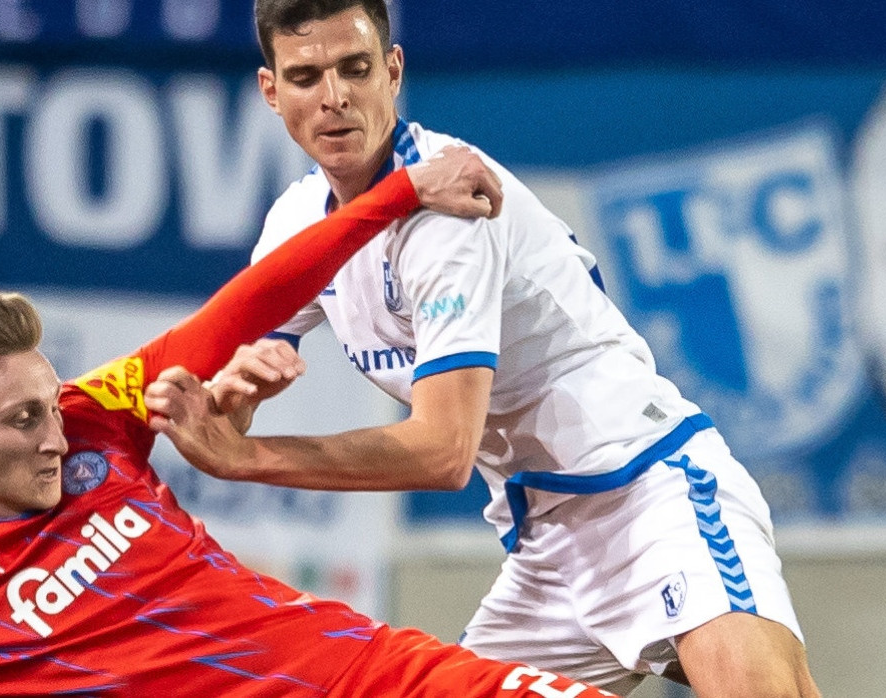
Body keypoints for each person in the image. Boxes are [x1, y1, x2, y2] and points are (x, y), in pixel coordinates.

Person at [0, 155, 616, 698]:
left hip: (383, 677)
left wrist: (394, 197)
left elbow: (246, 304)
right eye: (22, 420)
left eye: (50, 405)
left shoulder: (94, 423)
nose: (56, 437)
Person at [145, 1, 822, 696]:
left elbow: (443, 450)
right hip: (549, 550)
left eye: (355, 68)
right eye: (306, 76)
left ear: (393, 71)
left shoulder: (449, 207)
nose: (335, 97)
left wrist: (248, 458)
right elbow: (231, 394)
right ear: (271, 92)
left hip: (652, 492)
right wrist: (230, 404)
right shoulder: (296, 221)